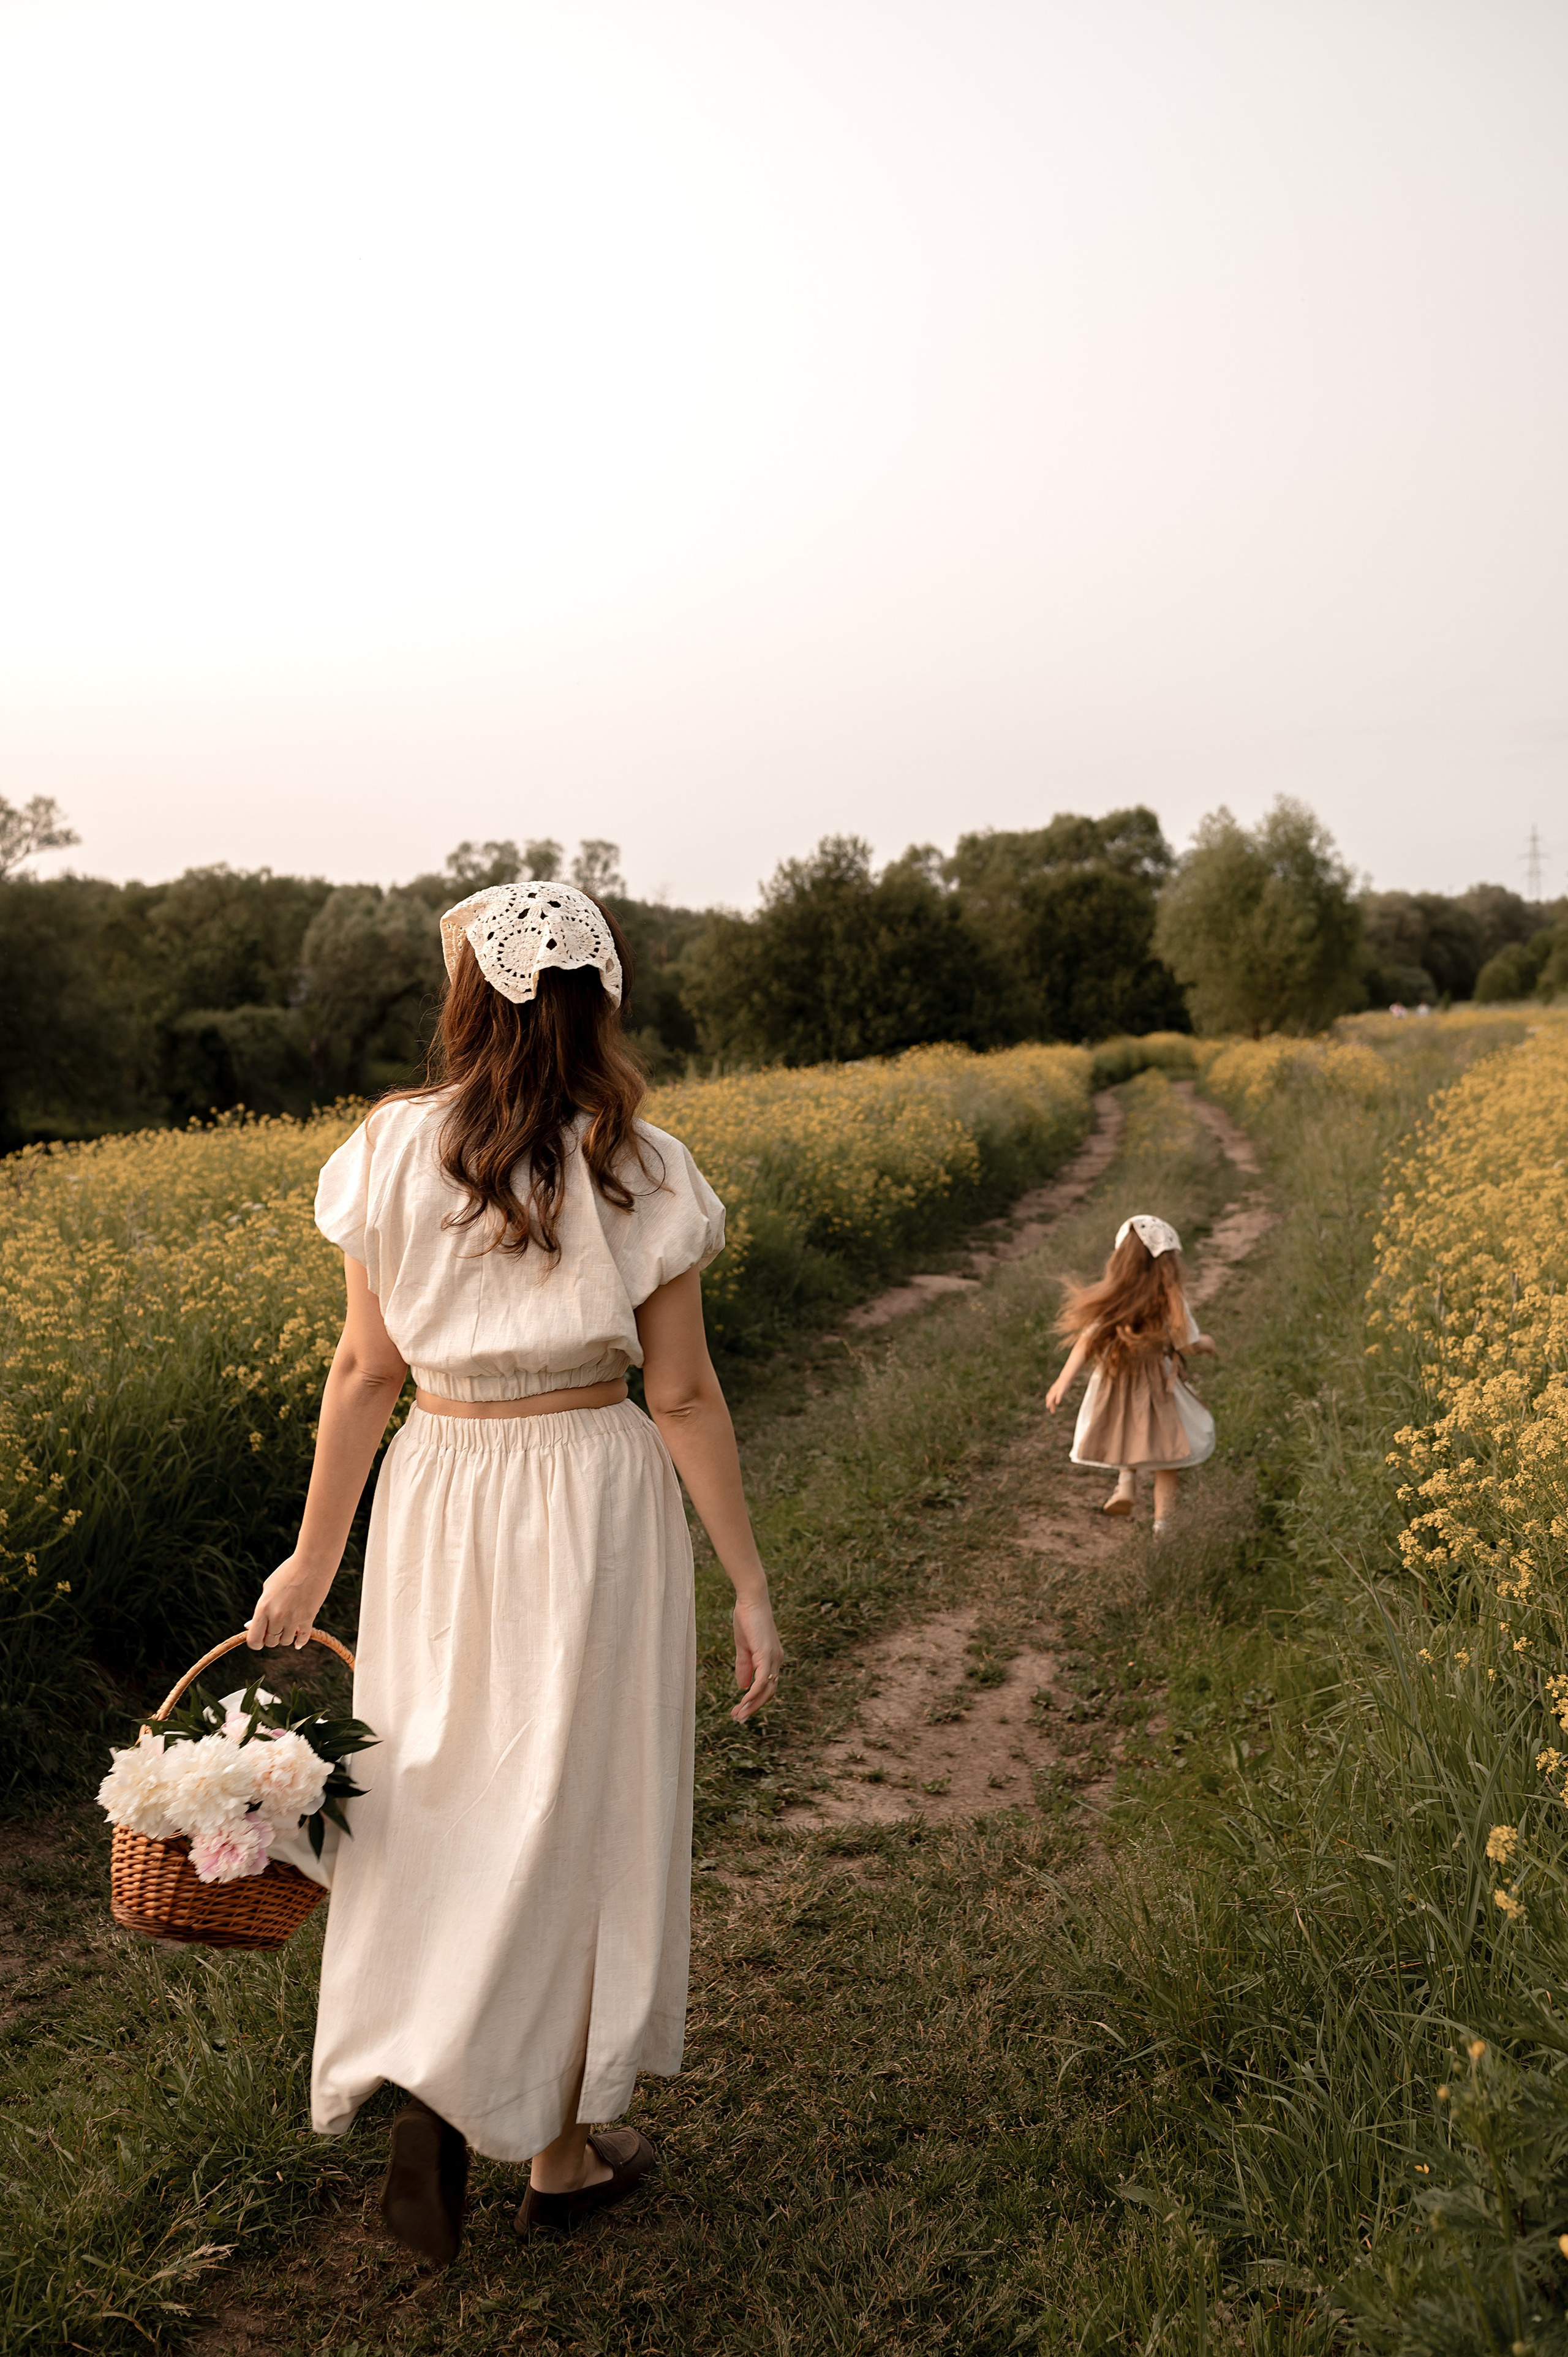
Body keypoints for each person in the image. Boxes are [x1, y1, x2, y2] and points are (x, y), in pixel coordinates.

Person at [244, 878, 783, 2260]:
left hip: (439, 1484)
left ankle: (481, 2100)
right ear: (600, 1000)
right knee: (573, 1796)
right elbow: (682, 1398)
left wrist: (314, 1558)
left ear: (465, 996)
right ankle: (547, 2141)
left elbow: (365, 1371)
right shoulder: (643, 1165)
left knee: (437, 1781)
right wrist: (747, 1581)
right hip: (590, 1487)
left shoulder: (388, 1147)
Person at [1044, 1212, 1216, 1532]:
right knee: (1168, 1456)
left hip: (1116, 1378)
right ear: (1168, 1260)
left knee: (1124, 1425)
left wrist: (1062, 1382)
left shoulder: (1113, 1297)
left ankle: (1125, 1483)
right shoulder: (1169, 1298)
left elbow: (1086, 1342)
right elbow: (1187, 1343)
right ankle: (1163, 1530)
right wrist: (1208, 1344)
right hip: (1157, 1383)